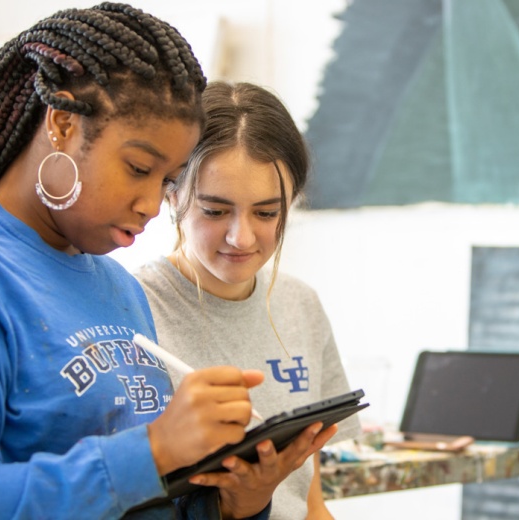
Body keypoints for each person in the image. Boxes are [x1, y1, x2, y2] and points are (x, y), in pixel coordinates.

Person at [0, 4, 331, 518]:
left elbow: (144, 498)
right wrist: (155, 447)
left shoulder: (117, 286)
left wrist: (242, 500)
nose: (151, 203)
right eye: (137, 167)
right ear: (63, 123)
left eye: (166, 181)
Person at [135, 81, 362, 520]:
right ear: (172, 195)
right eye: (215, 211)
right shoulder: (131, 310)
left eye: (266, 213)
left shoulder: (300, 305)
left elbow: (309, 502)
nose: (241, 237)